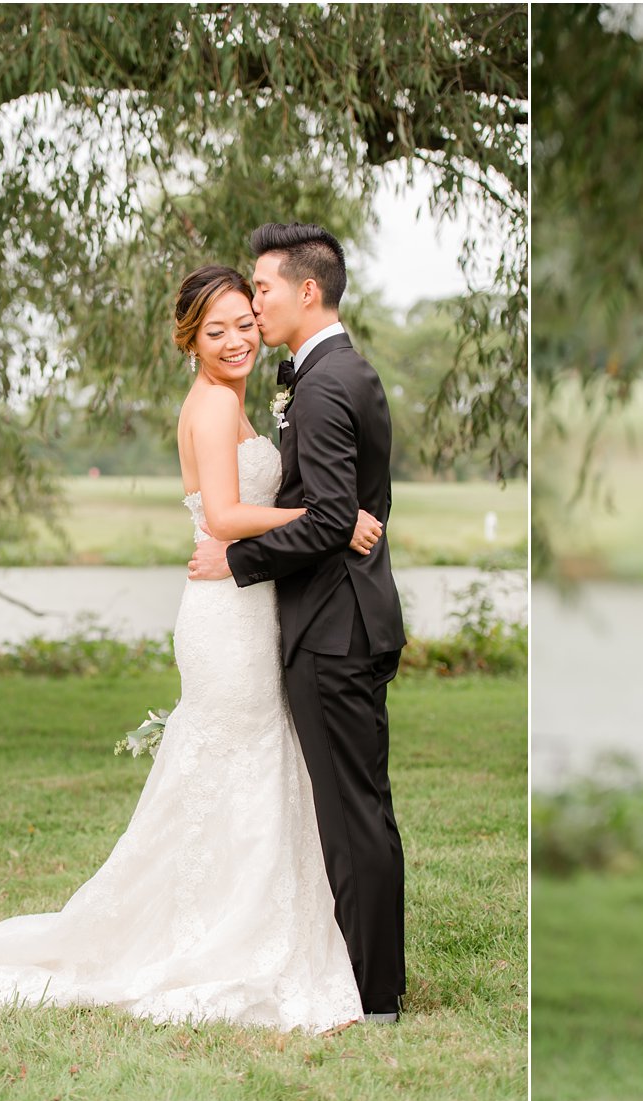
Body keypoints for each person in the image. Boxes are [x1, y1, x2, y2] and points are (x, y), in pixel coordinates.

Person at [0, 265, 381, 1033]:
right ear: (189, 339)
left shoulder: (228, 402)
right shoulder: (213, 407)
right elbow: (224, 515)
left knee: (249, 764)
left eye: (244, 323)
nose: (236, 340)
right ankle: (219, 935)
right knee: (242, 758)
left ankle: (242, 919)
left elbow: (239, 509)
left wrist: (303, 516)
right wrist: (332, 516)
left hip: (241, 603)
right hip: (227, 611)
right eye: (216, 329)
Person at [188, 223, 408, 1023]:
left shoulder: (320, 384)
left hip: (332, 628)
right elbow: (332, 507)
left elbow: (322, 520)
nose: (255, 301)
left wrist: (235, 562)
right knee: (359, 808)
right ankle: (369, 976)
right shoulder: (340, 371)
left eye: (264, 289)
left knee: (353, 818)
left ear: (306, 291)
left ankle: (374, 992)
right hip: (348, 617)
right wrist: (337, 517)